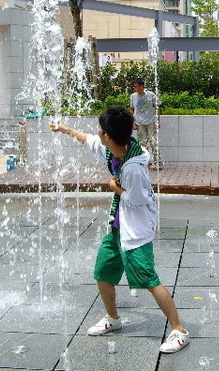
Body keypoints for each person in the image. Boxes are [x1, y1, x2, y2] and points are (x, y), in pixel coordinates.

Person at [51, 106, 189, 353]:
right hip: (118, 224)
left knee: (148, 279)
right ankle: (113, 318)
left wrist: (114, 187)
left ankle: (179, 330)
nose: (98, 133)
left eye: (101, 130)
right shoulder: (112, 148)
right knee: (102, 272)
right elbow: (89, 140)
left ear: (108, 136)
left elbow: (136, 200)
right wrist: (67, 130)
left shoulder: (133, 168)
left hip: (135, 229)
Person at [130, 78, 161, 168]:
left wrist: (158, 121)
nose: (134, 88)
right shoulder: (133, 96)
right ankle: (146, 162)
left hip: (151, 122)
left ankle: (158, 161)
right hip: (139, 123)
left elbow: (158, 108)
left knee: (153, 141)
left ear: (141, 86)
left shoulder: (151, 95)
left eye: (136, 86)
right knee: (143, 143)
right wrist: (133, 122)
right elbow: (132, 109)